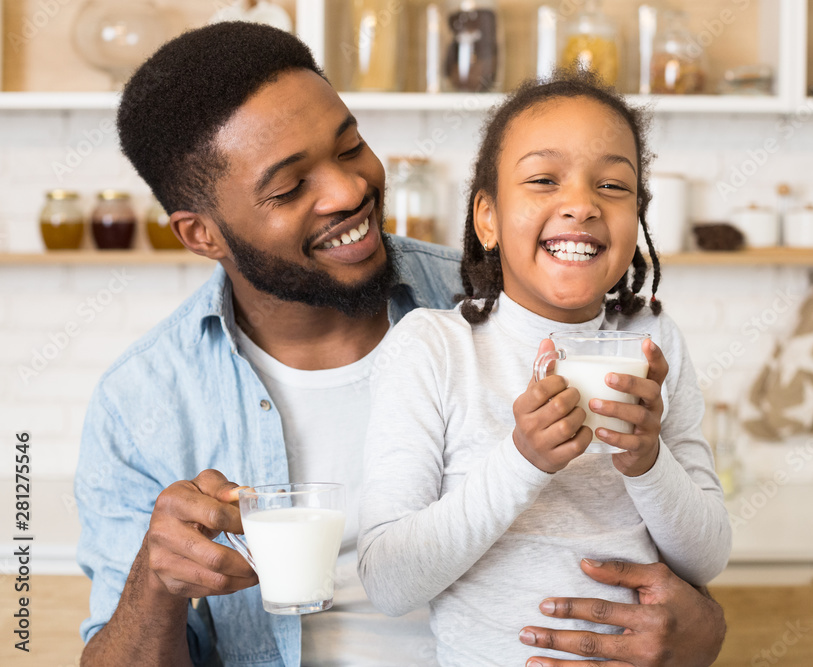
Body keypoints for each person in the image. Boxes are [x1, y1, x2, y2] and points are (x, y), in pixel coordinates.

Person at [74, 22, 727, 667]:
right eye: (290, 187)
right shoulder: (143, 402)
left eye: (349, 145)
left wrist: (698, 628)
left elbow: (681, 556)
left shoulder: (512, 295)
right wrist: (155, 585)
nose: (350, 190)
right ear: (201, 234)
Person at [357, 71, 732, 666]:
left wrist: (647, 460)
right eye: (542, 179)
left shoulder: (654, 340)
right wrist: (521, 460)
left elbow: (705, 556)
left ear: (636, 217)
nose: (581, 204)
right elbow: (388, 582)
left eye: (613, 185)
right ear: (488, 218)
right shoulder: (433, 349)